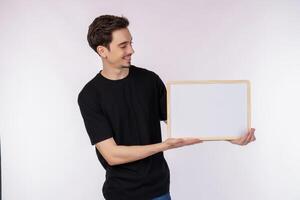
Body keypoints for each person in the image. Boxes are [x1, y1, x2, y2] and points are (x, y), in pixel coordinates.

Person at [77, 15, 256, 200]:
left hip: (159, 190)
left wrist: (230, 136)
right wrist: (163, 146)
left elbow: (184, 121)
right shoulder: (90, 96)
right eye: (123, 46)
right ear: (102, 51)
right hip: (121, 193)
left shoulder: (149, 80)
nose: (132, 50)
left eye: (131, 43)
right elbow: (112, 155)